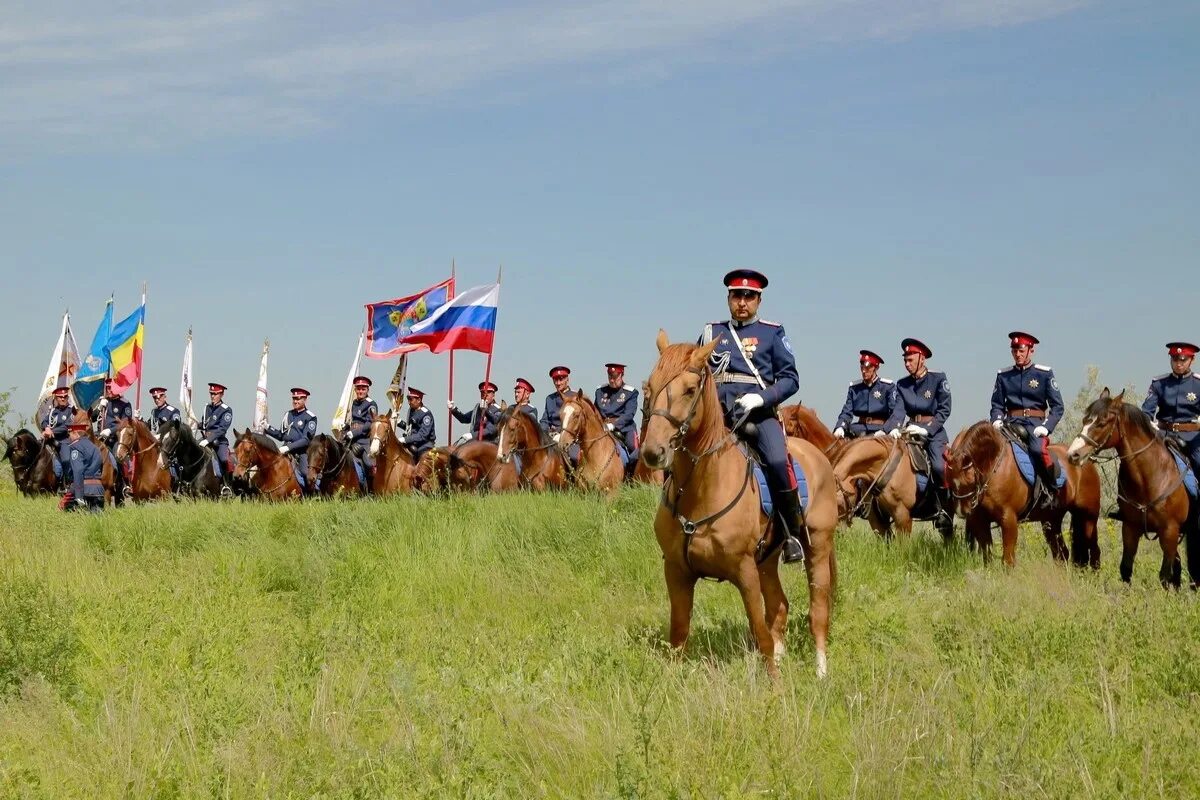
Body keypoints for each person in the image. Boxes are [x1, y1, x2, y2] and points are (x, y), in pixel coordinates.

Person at [699, 268, 805, 564]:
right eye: (736, 295)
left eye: (749, 296)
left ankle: (791, 533)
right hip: (719, 418)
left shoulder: (772, 333)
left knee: (774, 460)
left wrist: (761, 397)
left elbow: (790, 379)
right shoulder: (711, 333)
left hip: (757, 417)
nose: (742, 302)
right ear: (728, 298)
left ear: (758, 300)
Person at [885, 338, 953, 532]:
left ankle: (944, 511)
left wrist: (928, 428)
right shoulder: (902, 384)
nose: (907, 364)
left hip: (934, 433)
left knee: (939, 467)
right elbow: (898, 411)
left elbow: (944, 410)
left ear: (922, 358)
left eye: (911, 360)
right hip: (911, 431)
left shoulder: (938, 379)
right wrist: (893, 428)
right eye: (905, 360)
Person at [989, 331, 1064, 487]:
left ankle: (1051, 488)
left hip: (1034, 424)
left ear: (1031, 350)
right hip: (1010, 423)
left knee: (1038, 450)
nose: (1017, 354)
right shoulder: (1004, 376)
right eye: (1014, 351)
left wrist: (1046, 427)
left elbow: (1057, 407)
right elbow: (997, 405)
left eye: (1021, 351)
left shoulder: (1044, 374)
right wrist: (996, 419)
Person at [1142, 341, 1200, 479]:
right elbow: (1146, 412)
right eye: (1174, 359)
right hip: (1163, 434)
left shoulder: (1198, 384)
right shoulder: (1159, 384)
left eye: (1183, 360)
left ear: (1192, 360)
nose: (1178, 363)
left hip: (1192, 437)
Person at [833, 350, 897, 440]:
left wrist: (886, 429)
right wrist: (840, 427)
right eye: (862, 367)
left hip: (880, 430)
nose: (863, 371)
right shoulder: (854, 388)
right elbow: (847, 412)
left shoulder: (887, 387)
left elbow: (894, 412)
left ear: (876, 367)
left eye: (867, 368)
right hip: (858, 430)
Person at [265, 388, 317, 489]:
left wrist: (289, 447)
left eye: (298, 398)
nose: (295, 401)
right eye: (294, 399)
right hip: (284, 449)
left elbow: (306, 439)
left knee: (306, 473)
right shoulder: (288, 414)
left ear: (305, 399)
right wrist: (267, 428)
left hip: (301, 452)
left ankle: (312, 496)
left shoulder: (310, 417)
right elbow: (281, 435)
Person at [594, 362, 640, 462]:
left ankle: (633, 475)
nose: (612, 380)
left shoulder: (631, 392)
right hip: (603, 427)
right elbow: (595, 411)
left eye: (615, 377)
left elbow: (629, 414)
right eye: (610, 376)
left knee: (633, 449)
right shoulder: (600, 391)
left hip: (624, 428)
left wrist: (614, 425)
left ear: (621, 375)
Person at [64, 420, 104, 511]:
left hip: (83, 492)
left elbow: (78, 471)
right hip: (98, 491)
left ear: (75, 434)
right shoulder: (96, 448)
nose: (69, 438)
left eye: (70, 434)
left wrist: (78, 496)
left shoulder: (75, 447)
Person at [40, 386, 75, 486]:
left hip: (64, 442)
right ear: (56, 398)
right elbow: (44, 421)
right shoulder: (52, 411)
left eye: (65, 396)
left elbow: (67, 426)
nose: (63, 398)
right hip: (50, 441)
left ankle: (68, 484)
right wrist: (46, 428)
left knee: (66, 460)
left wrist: (51, 432)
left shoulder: (71, 411)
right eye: (60, 397)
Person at [344, 376, 378, 476]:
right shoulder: (354, 402)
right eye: (358, 389)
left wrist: (353, 433)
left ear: (367, 390)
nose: (360, 391)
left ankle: (372, 488)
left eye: (363, 389)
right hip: (351, 439)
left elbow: (368, 425)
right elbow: (354, 421)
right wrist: (346, 427)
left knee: (369, 464)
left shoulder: (371, 404)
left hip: (364, 440)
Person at [148, 386, 182, 484]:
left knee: (175, 460)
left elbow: (176, 426)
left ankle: (177, 481)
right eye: (155, 398)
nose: (157, 400)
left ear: (164, 397)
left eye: (159, 397)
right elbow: (149, 425)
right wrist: (140, 419)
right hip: (156, 443)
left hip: (169, 443)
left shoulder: (173, 411)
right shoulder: (154, 412)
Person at [199, 382, 234, 477]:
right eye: (211, 393)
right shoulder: (207, 407)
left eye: (215, 394)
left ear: (222, 394)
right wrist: (196, 425)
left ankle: (226, 485)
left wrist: (208, 440)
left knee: (224, 460)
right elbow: (204, 424)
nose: (212, 396)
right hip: (204, 439)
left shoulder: (226, 410)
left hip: (219, 441)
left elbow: (222, 429)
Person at [93, 379, 132, 450]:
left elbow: (126, 423)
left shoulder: (124, 403)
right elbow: (92, 419)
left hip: (115, 438)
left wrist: (110, 431)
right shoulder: (102, 400)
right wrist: (99, 407)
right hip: (99, 436)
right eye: (107, 388)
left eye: (111, 388)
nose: (109, 390)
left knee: (117, 457)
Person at [542, 366, 577, 438]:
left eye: (561, 380)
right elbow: (545, 421)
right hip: (551, 437)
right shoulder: (550, 398)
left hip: (570, 437)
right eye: (555, 380)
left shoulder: (575, 396)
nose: (558, 383)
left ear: (567, 379)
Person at [403, 387, 436, 460]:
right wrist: (399, 422)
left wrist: (405, 439)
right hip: (412, 443)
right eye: (408, 399)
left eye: (411, 399)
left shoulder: (426, 414)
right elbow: (411, 428)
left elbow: (422, 435)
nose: (409, 402)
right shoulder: (412, 411)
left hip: (424, 445)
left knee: (422, 463)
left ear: (419, 400)